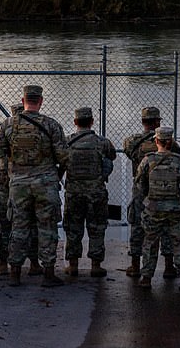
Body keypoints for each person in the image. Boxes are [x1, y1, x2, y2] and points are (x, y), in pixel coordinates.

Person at [0, 85, 67, 287]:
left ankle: (15, 272)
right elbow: (64, 156)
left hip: (18, 185)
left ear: (22, 100)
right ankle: (48, 273)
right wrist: (55, 173)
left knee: (18, 227)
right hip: (46, 184)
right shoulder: (52, 125)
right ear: (40, 101)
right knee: (47, 227)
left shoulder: (7, 125)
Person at [123, 107, 180, 278]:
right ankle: (169, 266)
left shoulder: (132, 141)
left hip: (141, 189)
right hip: (164, 189)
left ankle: (135, 266)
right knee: (166, 227)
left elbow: (127, 151)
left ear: (143, 122)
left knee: (138, 226)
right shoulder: (171, 143)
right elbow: (175, 154)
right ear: (158, 123)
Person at [0, 103, 43, 277]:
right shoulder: (37, 130)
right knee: (32, 226)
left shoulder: (4, 131)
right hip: (29, 186)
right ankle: (34, 263)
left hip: (7, 188)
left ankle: (3, 264)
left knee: (5, 227)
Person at [135, 126, 180, 290]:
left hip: (153, 208)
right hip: (175, 208)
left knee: (150, 242)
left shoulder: (147, 160)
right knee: (178, 242)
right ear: (171, 141)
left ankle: (146, 277)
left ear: (156, 141)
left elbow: (140, 186)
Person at [63, 107, 116, 277]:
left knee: (73, 228)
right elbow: (112, 157)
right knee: (97, 227)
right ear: (92, 121)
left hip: (74, 192)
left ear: (75, 122)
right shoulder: (102, 142)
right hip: (96, 192)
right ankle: (95, 265)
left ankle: (73, 265)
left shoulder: (67, 142)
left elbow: (60, 162)